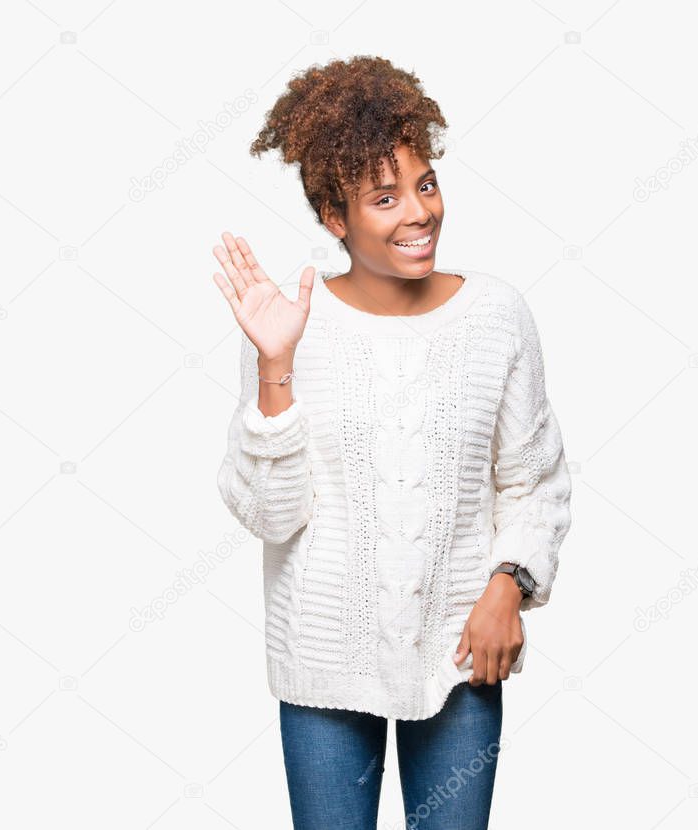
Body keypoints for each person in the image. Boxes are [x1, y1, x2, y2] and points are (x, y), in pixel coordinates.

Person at [212, 55, 572, 830]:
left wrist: (508, 585)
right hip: (322, 666)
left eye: (426, 184)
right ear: (334, 216)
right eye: (384, 197)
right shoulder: (286, 328)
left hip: (457, 655)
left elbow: (534, 480)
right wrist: (275, 364)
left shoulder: (496, 316)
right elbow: (272, 517)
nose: (419, 212)